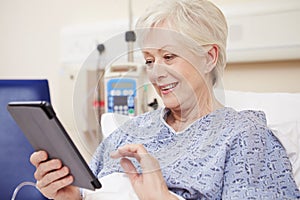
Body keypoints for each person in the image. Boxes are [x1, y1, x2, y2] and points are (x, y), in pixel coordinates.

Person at [30, 0, 300, 199]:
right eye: (149, 60)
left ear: (209, 57)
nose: (156, 72)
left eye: (169, 57)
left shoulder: (245, 136)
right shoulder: (126, 135)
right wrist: (71, 196)